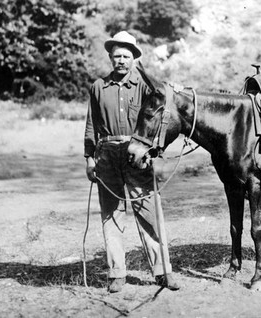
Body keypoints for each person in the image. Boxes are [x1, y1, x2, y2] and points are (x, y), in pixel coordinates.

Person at [84, 31, 179, 293]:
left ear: (134, 58)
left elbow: (161, 113)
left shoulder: (146, 87)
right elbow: (91, 124)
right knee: (111, 214)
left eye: (127, 56)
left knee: (148, 212)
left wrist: (155, 147)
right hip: (106, 154)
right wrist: (89, 159)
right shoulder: (98, 87)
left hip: (136, 154)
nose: (121, 61)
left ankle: (162, 272)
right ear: (110, 58)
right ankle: (117, 274)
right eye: (117, 56)